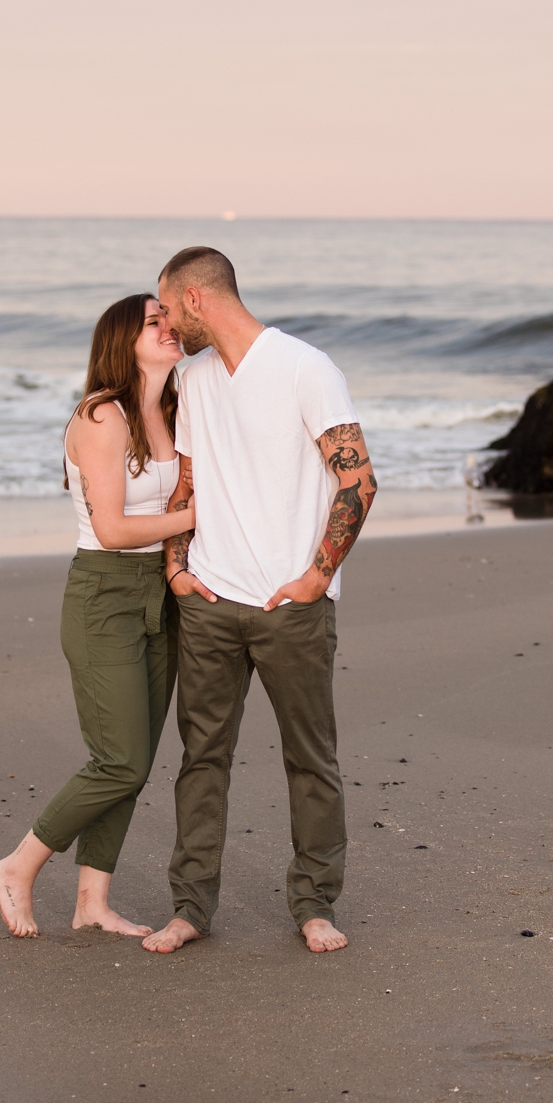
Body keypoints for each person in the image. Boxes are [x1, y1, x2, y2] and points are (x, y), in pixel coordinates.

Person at [141, 247, 378, 956]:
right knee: (201, 759)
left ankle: (314, 903)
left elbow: (358, 482)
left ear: (196, 298)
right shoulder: (194, 377)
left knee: (311, 757)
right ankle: (191, 908)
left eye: (168, 308)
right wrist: (177, 568)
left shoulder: (306, 368)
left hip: (292, 607)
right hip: (210, 602)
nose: (168, 325)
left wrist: (314, 578)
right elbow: (187, 483)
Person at [0, 294, 195, 938]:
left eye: (171, 318)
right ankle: (19, 865)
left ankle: (92, 902)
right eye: (153, 321)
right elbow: (110, 529)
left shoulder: (173, 410)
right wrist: (205, 517)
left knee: (131, 757)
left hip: (159, 596)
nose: (169, 328)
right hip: (103, 596)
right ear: (121, 340)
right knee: (120, 761)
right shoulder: (102, 416)